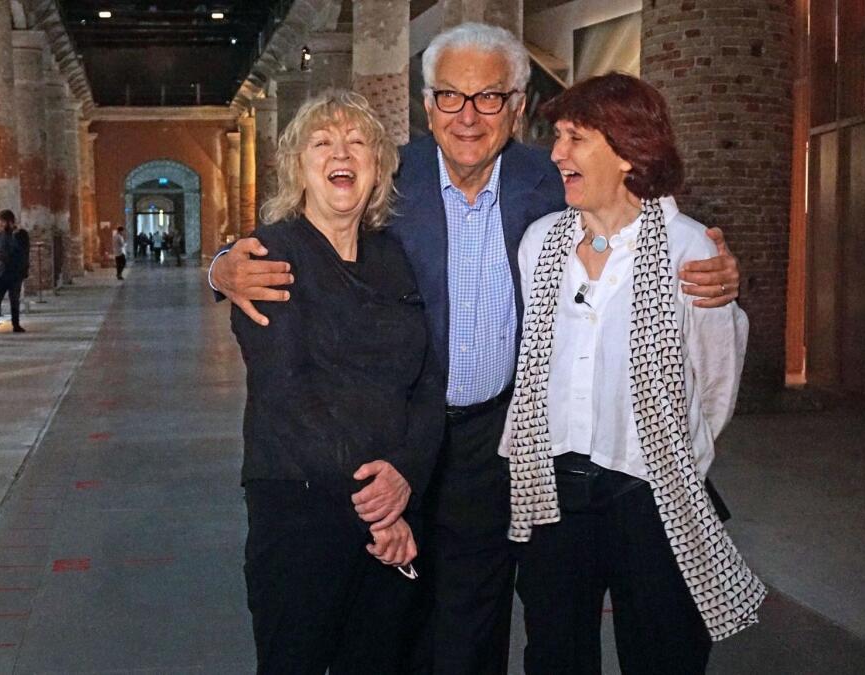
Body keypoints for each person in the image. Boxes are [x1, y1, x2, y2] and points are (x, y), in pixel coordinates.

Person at [211, 23, 743, 674]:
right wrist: (219, 267)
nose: (468, 116)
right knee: (392, 619)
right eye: (451, 97)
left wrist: (711, 260)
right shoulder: (386, 177)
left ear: (517, 107)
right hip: (393, 431)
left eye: (489, 97)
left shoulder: (549, 184)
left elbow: (633, 213)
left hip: (492, 437)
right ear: (427, 104)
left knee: (474, 614)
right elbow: (306, 226)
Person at [501, 72, 765, 674]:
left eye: (574, 138)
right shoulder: (539, 243)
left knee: (662, 655)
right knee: (555, 655)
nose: (557, 154)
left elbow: (717, 385)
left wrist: (673, 460)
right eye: (557, 137)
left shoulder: (690, 249)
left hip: (649, 498)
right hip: (553, 495)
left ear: (626, 151)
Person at [232, 89, 445, 674]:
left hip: (395, 502)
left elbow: (428, 382)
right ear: (298, 168)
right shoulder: (269, 254)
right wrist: (379, 511)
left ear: (378, 167)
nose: (340, 153)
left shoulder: (394, 256)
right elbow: (289, 392)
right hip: (302, 509)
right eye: (321, 143)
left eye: (357, 143)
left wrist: (408, 474)